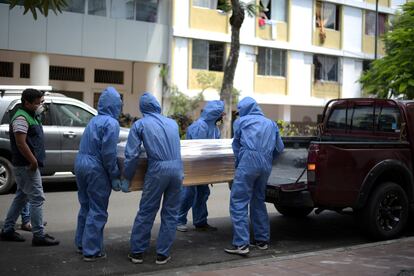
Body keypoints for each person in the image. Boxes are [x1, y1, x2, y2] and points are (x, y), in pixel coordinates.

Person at [123, 92, 183, 265]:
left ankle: (137, 253)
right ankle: (162, 254)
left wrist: (127, 176)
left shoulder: (140, 125)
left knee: (147, 211)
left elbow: (132, 154)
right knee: (171, 213)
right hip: (177, 169)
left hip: (157, 170)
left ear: (142, 108)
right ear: (157, 105)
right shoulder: (172, 123)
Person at [225, 97, 284, 256]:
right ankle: (262, 240)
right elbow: (280, 147)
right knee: (258, 200)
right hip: (265, 164)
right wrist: (267, 157)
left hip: (248, 162)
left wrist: (239, 164)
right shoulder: (271, 123)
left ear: (244, 109)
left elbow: (236, 145)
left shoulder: (241, 122)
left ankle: (241, 244)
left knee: (239, 201)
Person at [0, 88, 59, 246]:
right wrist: (33, 161)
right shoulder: (21, 117)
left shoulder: (31, 115)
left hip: (27, 164)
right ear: (26, 102)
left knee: (21, 197)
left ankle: (7, 230)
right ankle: (38, 235)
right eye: (37, 103)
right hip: (27, 165)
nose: (40, 105)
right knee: (37, 198)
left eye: (41, 102)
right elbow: (21, 143)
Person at [74, 87, 123, 262]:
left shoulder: (93, 121)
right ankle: (92, 250)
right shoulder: (111, 123)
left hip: (80, 164)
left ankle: (81, 243)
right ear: (115, 105)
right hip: (96, 168)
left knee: (85, 206)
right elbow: (108, 154)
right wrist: (115, 175)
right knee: (98, 210)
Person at [176, 100, 225, 232]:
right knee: (189, 193)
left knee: (203, 193)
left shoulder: (214, 128)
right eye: (221, 115)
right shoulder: (200, 126)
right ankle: (178, 219)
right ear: (215, 114)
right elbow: (199, 149)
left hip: (204, 167)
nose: (222, 118)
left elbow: (215, 147)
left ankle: (200, 221)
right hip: (193, 165)